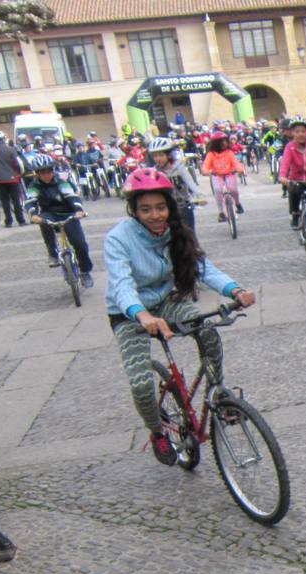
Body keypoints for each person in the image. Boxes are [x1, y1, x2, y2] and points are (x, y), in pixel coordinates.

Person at [104, 168, 256, 466]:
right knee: (141, 385)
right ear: (133, 210)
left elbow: (202, 267)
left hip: (166, 303)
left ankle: (218, 391)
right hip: (130, 314)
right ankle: (157, 431)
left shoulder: (176, 231)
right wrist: (142, 316)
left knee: (208, 329)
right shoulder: (118, 239)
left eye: (160, 207)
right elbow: (121, 285)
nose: (155, 215)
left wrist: (235, 290)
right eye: (145, 209)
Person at [24, 153, 94, 288]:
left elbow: (71, 196)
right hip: (49, 214)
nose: (46, 175)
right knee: (43, 221)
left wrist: (78, 210)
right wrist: (33, 214)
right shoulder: (34, 185)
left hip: (68, 213)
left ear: (53, 170)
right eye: (42, 172)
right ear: (37, 173)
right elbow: (30, 201)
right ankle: (53, 253)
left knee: (80, 243)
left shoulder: (61, 181)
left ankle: (85, 271)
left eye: (49, 171)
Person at [148, 136, 205, 231]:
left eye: (161, 155)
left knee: (189, 234)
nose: (158, 159)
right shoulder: (154, 172)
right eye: (155, 156)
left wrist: (199, 196)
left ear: (169, 155)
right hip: (163, 208)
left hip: (182, 205)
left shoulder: (179, 168)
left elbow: (190, 183)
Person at [200, 130, 244, 222]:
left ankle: (237, 203)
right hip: (217, 175)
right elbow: (205, 165)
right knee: (218, 191)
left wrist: (239, 169)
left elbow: (236, 163)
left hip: (230, 174)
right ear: (216, 143)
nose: (224, 143)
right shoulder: (211, 154)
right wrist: (206, 171)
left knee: (233, 189)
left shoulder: (229, 152)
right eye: (221, 141)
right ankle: (221, 212)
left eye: (225, 141)